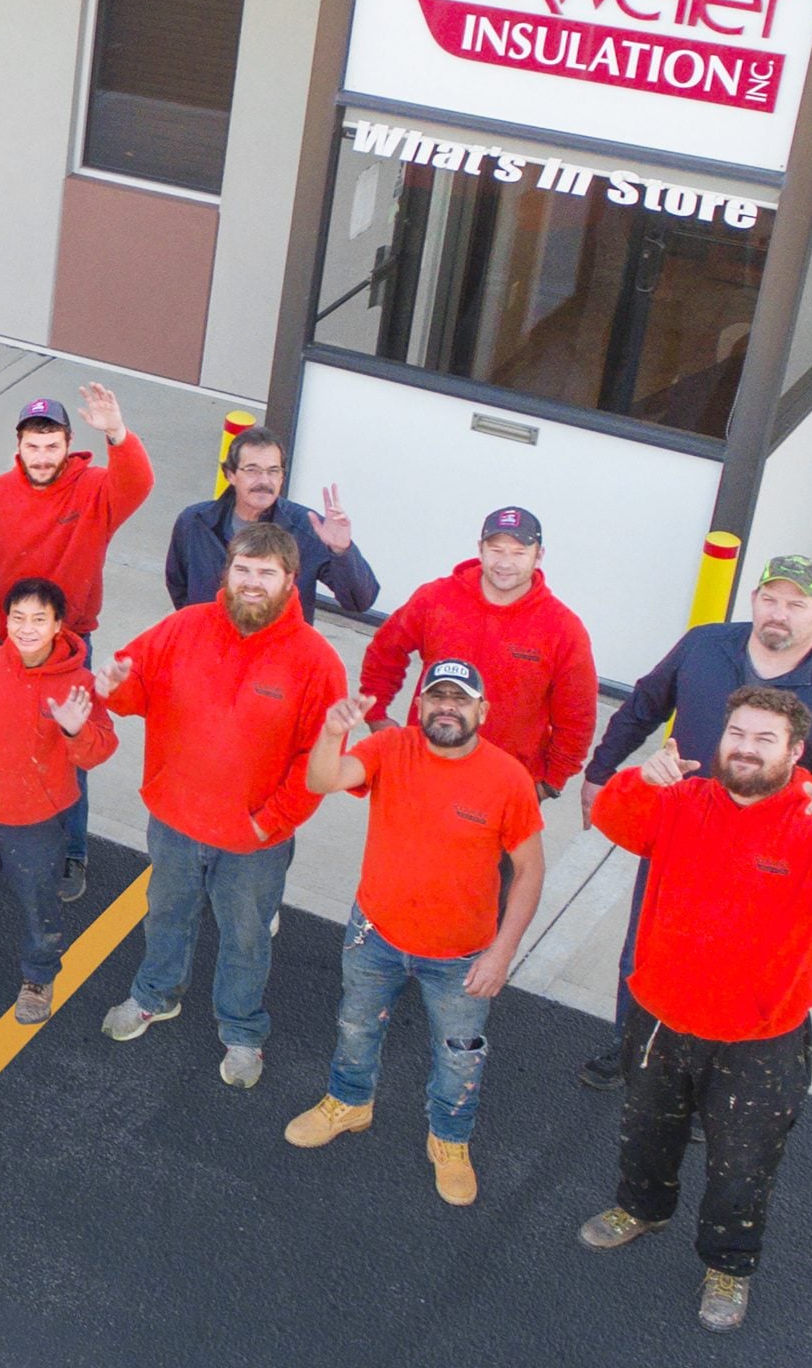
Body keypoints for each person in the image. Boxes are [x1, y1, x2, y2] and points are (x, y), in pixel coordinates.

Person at [577, 687, 812, 1333]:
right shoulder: (679, 797)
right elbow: (616, 821)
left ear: (795, 751)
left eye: (764, 739)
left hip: (761, 1038)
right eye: (737, 733)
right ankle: (641, 1208)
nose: (746, 748)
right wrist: (642, 778)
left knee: (743, 1166)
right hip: (661, 1018)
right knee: (646, 1133)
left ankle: (729, 1265)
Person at [575, 553, 812, 1091]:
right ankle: (633, 1051)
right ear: (754, 601)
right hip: (679, 837)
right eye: (769, 599)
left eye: (795, 604)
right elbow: (644, 704)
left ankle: (708, 1083)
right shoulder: (704, 646)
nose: (778, 614)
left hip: (763, 865)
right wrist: (601, 770)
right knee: (644, 950)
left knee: (735, 970)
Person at [96, 523, 345, 1090]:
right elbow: (137, 692)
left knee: (247, 937)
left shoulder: (316, 661)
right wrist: (114, 685)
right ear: (226, 573)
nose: (252, 583)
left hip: (254, 841)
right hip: (176, 822)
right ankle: (154, 996)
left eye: (266, 573)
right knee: (166, 914)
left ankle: (241, 1030)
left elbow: (317, 763)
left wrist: (268, 823)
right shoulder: (183, 628)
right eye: (243, 570)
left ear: (289, 581)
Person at [291, 661, 545, 1207]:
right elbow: (322, 781)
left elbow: (530, 870)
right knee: (356, 1026)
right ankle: (349, 1101)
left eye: (460, 698)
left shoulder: (507, 778)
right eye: (436, 697)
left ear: (483, 711)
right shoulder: (390, 749)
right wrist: (333, 733)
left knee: (459, 1054)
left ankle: (450, 1139)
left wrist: (501, 954)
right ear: (420, 705)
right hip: (374, 934)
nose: (446, 707)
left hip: (460, 955)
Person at [0, 383, 152, 905]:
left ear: (68, 443)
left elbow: (138, 483)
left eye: (52, 446)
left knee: (68, 749)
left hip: (70, 649)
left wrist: (117, 431)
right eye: (33, 445)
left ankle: (72, 850)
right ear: (17, 446)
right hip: (3, 645)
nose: (42, 456)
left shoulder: (95, 489)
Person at [0, 578, 117, 1023]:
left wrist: (75, 728)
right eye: (18, 618)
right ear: (6, 620)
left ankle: (38, 975)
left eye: (39, 619)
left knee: (40, 904)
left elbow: (101, 750)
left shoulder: (80, 684)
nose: (26, 628)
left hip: (38, 821)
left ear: (57, 626)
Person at [358, 506, 596, 805]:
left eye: (519, 552)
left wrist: (550, 782)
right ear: (480, 549)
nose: (505, 563)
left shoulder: (563, 628)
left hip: (505, 790)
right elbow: (384, 652)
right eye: (496, 549)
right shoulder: (435, 599)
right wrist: (376, 713)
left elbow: (578, 713)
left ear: (539, 555)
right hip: (424, 771)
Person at [164, 425, 378, 617]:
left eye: (273, 471)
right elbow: (179, 587)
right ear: (230, 475)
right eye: (252, 470)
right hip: (209, 649)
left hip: (278, 655)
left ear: (282, 477)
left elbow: (359, 601)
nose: (264, 481)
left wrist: (342, 551)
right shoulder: (194, 521)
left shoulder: (307, 528)